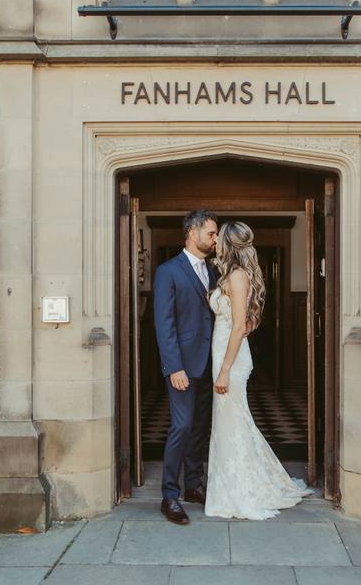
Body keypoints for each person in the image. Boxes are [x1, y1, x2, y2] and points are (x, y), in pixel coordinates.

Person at [204, 221, 313, 520]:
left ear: (228, 244)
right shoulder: (229, 274)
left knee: (232, 423)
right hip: (223, 352)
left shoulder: (237, 277)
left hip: (231, 359)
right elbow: (246, 322)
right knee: (231, 423)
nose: (214, 243)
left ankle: (240, 491)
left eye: (218, 239)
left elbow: (240, 325)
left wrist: (225, 370)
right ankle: (231, 485)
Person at [153, 210, 218, 525]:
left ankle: (194, 485)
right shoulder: (169, 271)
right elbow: (164, 325)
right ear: (192, 233)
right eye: (211, 233)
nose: (215, 239)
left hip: (208, 364)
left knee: (199, 428)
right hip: (182, 366)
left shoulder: (214, 271)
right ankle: (169, 495)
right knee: (181, 426)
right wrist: (173, 367)